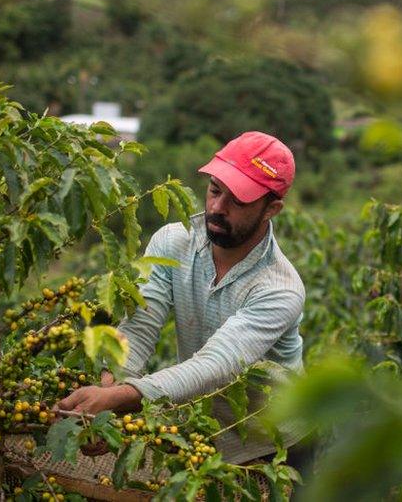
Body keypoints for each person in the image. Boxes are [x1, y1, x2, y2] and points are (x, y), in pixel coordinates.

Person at [56, 131, 308, 464]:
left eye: (238, 201)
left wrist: (119, 398)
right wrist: (109, 390)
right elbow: (140, 326)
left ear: (271, 209)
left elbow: (217, 366)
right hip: (204, 435)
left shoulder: (280, 289)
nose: (218, 208)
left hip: (276, 446)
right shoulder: (173, 243)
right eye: (215, 190)